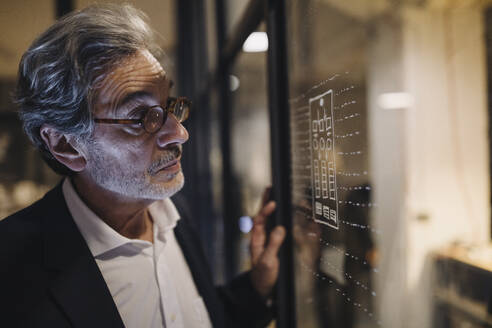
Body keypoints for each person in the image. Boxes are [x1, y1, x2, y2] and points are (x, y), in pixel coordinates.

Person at [0, 4, 286, 328]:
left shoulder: (172, 207)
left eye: (168, 105)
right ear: (66, 145)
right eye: (141, 118)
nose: (180, 133)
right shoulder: (11, 272)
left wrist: (258, 284)